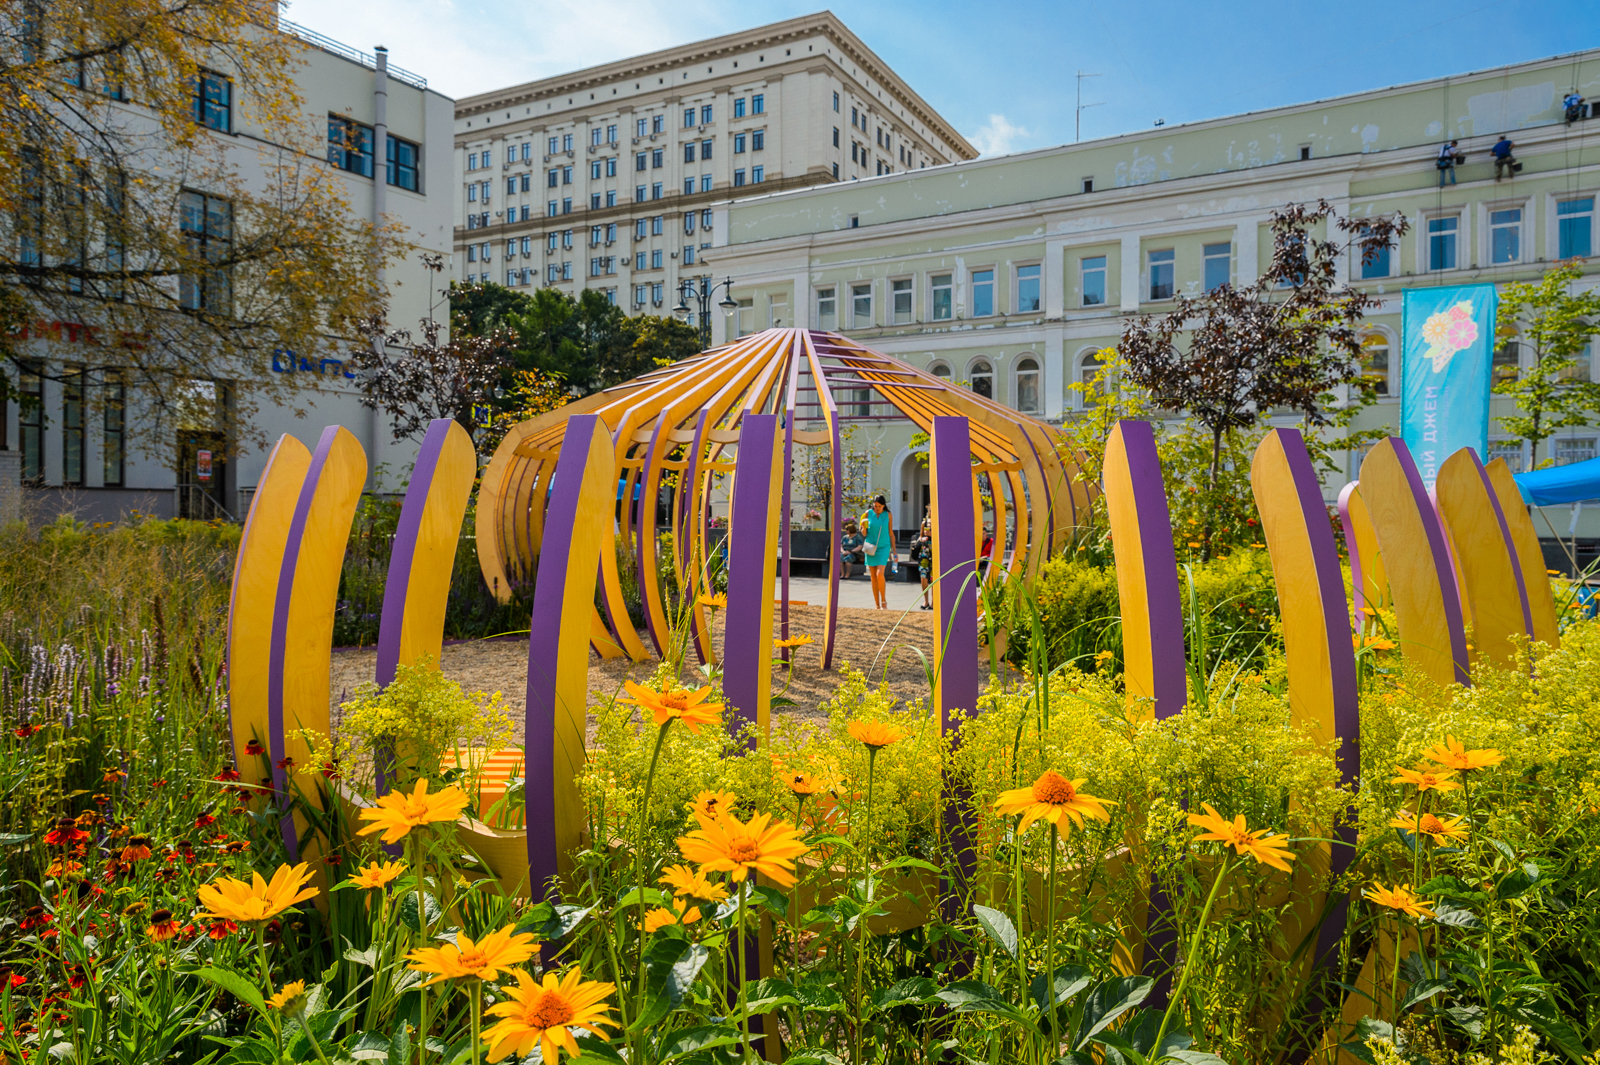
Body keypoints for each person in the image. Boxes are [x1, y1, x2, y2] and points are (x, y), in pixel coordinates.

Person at [860, 495, 894, 610]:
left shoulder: (888, 515)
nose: (877, 508)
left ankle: (884, 600)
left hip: (884, 547)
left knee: (880, 574)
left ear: (884, 506)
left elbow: (891, 532)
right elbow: (864, 533)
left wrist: (894, 550)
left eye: (879, 506)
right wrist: (863, 529)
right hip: (870, 546)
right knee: (873, 577)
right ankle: (877, 604)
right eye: (875, 506)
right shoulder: (868, 514)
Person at [911, 518, 934, 610]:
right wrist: (922, 537)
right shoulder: (923, 529)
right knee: (923, 578)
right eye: (928, 523)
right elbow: (919, 541)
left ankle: (933, 602)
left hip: (934, 557)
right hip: (924, 557)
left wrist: (933, 535)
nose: (929, 525)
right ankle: (926, 601)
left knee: (934, 580)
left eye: (931, 524)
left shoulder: (938, 531)